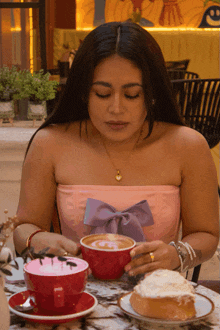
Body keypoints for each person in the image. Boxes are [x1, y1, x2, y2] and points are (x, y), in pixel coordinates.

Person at [13, 21, 219, 277]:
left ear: (152, 94)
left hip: (158, 300)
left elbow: (207, 235)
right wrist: (37, 238)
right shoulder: (50, 143)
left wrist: (178, 254)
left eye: (132, 95)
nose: (116, 109)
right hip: (72, 296)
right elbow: (22, 229)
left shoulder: (188, 146)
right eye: (102, 94)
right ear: (83, 93)